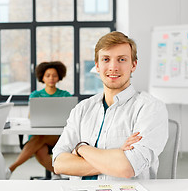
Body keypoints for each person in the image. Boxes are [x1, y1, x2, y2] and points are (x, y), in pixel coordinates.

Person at [52, 31, 168, 180]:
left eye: (121, 59)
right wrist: (117, 155)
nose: (113, 67)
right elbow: (59, 164)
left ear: (133, 65)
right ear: (97, 66)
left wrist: (81, 148)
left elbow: (127, 168)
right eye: (106, 59)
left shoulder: (150, 108)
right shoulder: (82, 109)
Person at [7, 61, 71, 179]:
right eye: (48, 75)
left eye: (54, 75)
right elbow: (31, 117)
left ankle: (11, 168)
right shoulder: (35, 95)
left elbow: (71, 119)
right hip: (38, 135)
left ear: (59, 77)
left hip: (57, 136)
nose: (51, 78)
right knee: (40, 150)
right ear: (42, 77)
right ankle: (56, 173)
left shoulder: (65, 95)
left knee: (40, 138)